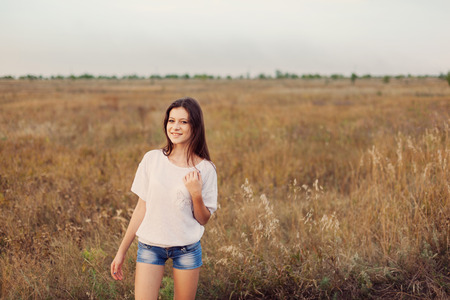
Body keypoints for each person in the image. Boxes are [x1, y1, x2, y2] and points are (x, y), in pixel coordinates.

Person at [111, 97, 218, 300]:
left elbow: (203, 219)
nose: (175, 127)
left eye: (183, 122)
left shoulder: (206, 169)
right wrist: (121, 251)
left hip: (187, 249)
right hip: (150, 246)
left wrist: (196, 193)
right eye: (171, 121)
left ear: (195, 126)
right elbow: (141, 208)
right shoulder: (152, 159)